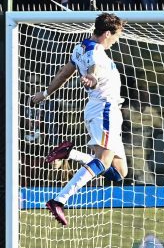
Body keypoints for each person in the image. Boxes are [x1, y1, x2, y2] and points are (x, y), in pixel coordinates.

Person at [31, 13, 128, 226]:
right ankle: (59, 200)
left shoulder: (79, 48)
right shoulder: (97, 52)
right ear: (106, 33)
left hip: (105, 111)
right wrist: (91, 78)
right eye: (116, 36)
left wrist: (46, 93)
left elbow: (64, 74)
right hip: (104, 110)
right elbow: (92, 69)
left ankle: (69, 153)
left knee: (119, 172)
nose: (117, 40)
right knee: (102, 161)